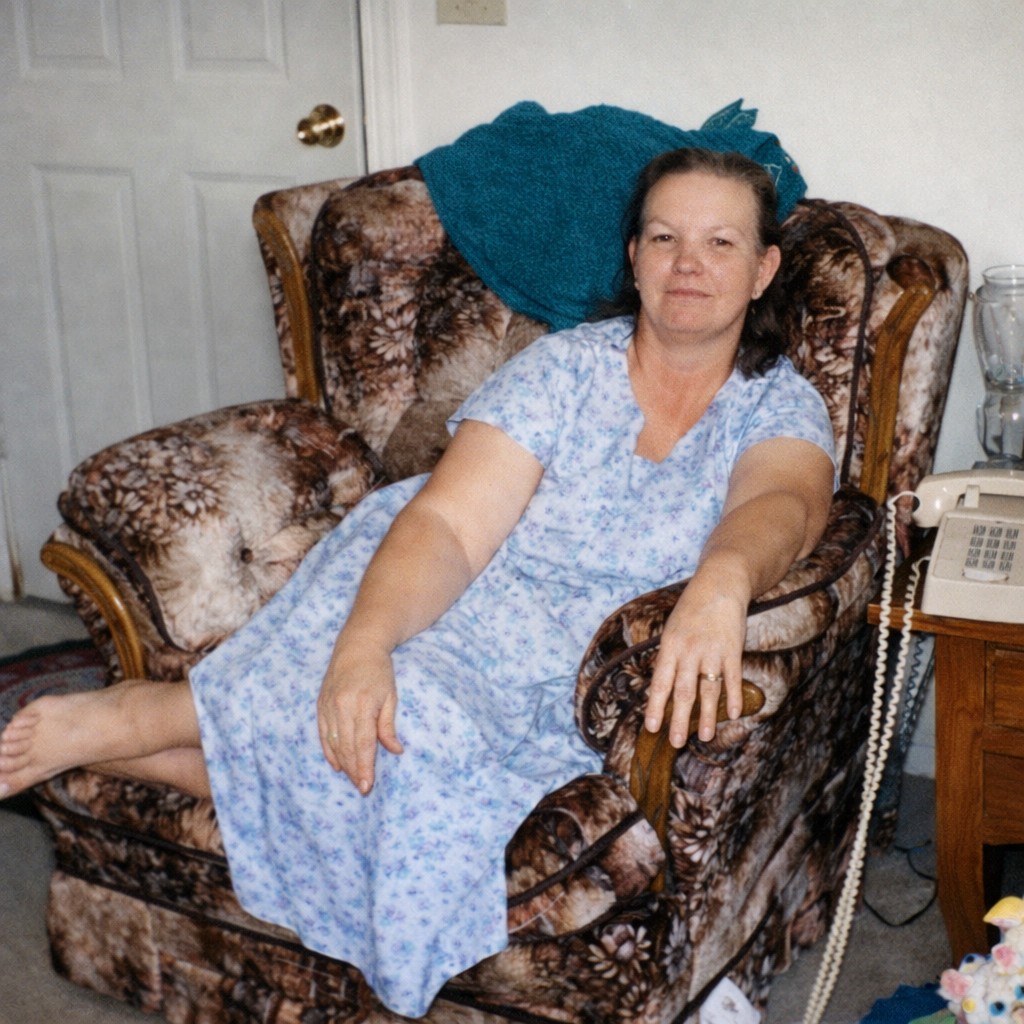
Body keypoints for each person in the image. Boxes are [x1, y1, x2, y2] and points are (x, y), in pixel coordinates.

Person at [0, 147, 836, 1017]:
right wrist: (365, 646)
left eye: (720, 242)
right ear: (633, 258)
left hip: (570, 662)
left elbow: (783, 502)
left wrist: (724, 579)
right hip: (443, 582)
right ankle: (147, 716)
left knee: (413, 758)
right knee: (394, 711)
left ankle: (141, 730)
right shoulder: (566, 370)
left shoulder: (777, 404)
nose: (688, 263)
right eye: (664, 237)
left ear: (763, 269)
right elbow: (449, 527)